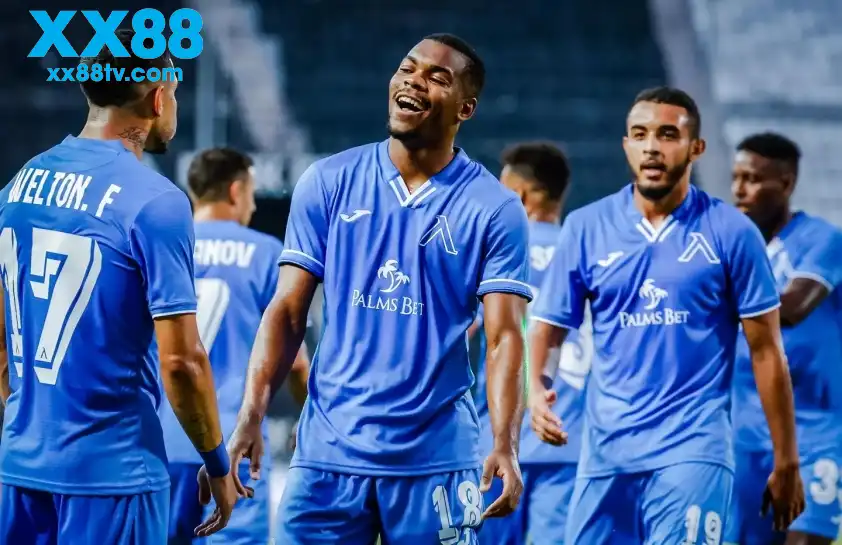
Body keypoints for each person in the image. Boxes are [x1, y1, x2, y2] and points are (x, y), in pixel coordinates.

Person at [214, 33, 533, 544]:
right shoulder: (328, 180)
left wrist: (505, 442)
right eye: (407, 68)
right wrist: (251, 413)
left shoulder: (494, 207)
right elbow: (288, 310)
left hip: (437, 459)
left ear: (466, 108)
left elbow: (504, 338)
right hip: (328, 456)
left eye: (437, 77)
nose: (414, 81)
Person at [528, 86, 805, 544]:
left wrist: (787, 460)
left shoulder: (733, 232)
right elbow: (550, 329)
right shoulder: (585, 227)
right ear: (626, 145)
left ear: (696, 147)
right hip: (606, 456)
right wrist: (538, 390)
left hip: (693, 450)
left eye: (668, 135)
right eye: (640, 134)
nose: (652, 146)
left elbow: (767, 352)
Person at [0, 29, 239, 544]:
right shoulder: (156, 201)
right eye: (174, 91)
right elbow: (182, 362)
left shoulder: (19, 183)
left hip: (19, 472)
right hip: (114, 477)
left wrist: (28, 426)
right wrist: (218, 464)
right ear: (157, 99)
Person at [160, 148, 310, 544]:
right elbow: (295, 363)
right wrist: (313, 417)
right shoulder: (266, 253)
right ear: (235, 191)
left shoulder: (163, 248)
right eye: (252, 194)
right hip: (233, 443)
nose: (254, 205)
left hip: (159, 440)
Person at [726, 132, 842, 545]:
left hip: (816, 432)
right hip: (744, 436)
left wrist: (715, 298)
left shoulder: (822, 239)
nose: (740, 189)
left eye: (754, 179)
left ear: (787, 183)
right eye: (736, 177)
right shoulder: (734, 249)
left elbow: (793, 308)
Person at [477, 142, 593, 544]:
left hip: (495, 443)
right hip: (570, 441)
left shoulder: (497, 254)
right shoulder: (588, 253)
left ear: (521, 196)